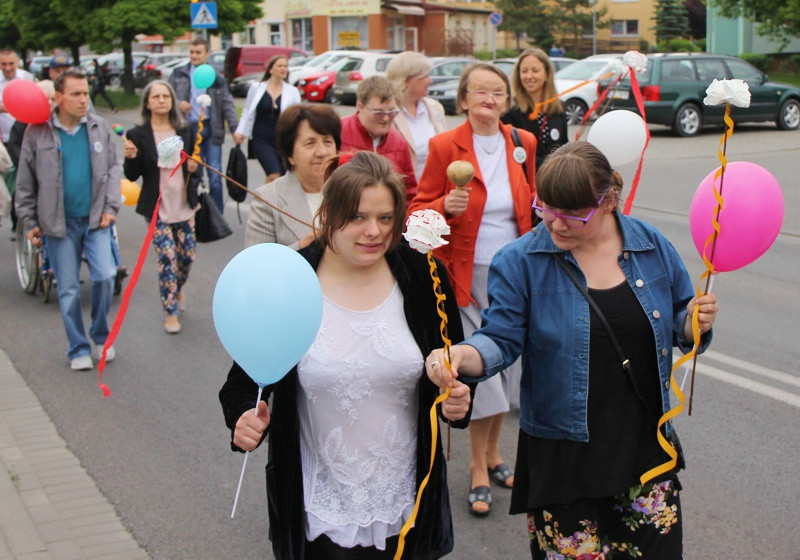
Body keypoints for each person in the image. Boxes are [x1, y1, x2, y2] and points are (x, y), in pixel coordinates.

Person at [425, 141, 719, 559]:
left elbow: (677, 320)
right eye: (545, 210)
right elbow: (500, 338)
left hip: (646, 450)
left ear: (608, 201)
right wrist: (459, 356)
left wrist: (692, 324)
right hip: (563, 459)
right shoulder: (521, 260)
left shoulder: (650, 245)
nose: (556, 226)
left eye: (573, 216)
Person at [220, 150, 472, 559]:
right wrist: (243, 419)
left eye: (385, 218)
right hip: (318, 507)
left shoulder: (424, 275)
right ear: (328, 214)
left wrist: (458, 400)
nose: (373, 231)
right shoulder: (292, 280)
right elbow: (242, 383)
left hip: (406, 503)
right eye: (357, 217)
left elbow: (454, 366)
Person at [409, 62, 537, 517]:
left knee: (507, 368)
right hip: (465, 272)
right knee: (481, 367)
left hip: (516, 273)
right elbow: (418, 210)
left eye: (498, 92)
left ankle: (495, 453)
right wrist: (446, 203)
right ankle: (479, 469)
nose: (489, 98)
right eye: (480, 91)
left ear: (506, 100)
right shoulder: (444, 146)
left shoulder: (523, 143)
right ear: (463, 100)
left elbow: (532, 204)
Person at [15, 68, 121, 370]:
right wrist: (29, 221)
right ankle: (77, 348)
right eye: (76, 94)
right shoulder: (37, 132)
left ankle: (101, 336)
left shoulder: (99, 127)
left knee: (105, 276)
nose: (83, 99)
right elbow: (25, 181)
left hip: (95, 220)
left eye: (86, 93)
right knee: (69, 288)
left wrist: (111, 207)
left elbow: (114, 170)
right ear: (58, 98)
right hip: (56, 224)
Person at [123, 80, 200, 335]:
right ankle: (170, 313)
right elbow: (132, 175)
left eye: (165, 96)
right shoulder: (137, 135)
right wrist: (131, 157)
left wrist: (193, 168)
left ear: (172, 100)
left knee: (186, 257)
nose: (161, 100)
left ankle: (176, 289)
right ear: (147, 102)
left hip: (183, 204)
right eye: (155, 96)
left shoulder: (184, 129)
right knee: (167, 259)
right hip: (157, 208)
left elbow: (194, 165)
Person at [245, 103, 340, 250]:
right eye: (310, 143)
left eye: (327, 141)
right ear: (290, 156)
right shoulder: (268, 199)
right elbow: (259, 265)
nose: (322, 152)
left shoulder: (352, 190)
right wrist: (303, 246)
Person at [169, 37, 238, 213]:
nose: (194, 56)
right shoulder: (178, 74)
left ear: (207, 54)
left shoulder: (217, 79)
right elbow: (168, 96)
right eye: (191, 52)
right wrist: (179, 104)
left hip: (211, 127)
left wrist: (235, 129)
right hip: (187, 128)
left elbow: (228, 104)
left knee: (215, 174)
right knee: (192, 173)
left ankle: (217, 214)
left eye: (198, 52)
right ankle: (193, 212)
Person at [339, 76, 417, 202]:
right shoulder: (339, 133)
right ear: (360, 106)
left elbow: (409, 192)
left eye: (391, 111)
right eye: (378, 112)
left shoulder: (398, 142)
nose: (385, 119)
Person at [233, 54, 301, 182]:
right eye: (279, 65)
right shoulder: (257, 88)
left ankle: (268, 201)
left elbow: (297, 116)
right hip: (261, 139)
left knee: (281, 177)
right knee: (273, 174)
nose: (283, 69)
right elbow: (247, 110)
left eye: (285, 66)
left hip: (282, 140)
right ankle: (264, 201)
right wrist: (241, 131)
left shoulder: (292, 91)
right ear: (271, 69)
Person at [502, 48, 568, 169]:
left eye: (535, 70)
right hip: (526, 183)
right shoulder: (509, 111)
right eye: (524, 71)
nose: (529, 76)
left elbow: (565, 147)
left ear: (547, 74)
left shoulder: (559, 108)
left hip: (555, 182)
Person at [385, 51, 447, 182]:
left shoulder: (435, 108)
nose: (430, 80)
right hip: (403, 191)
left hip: (435, 191)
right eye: (425, 76)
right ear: (407, 80)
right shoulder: (387, 113)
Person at [0, 48, 34, 143]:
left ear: (17, 62)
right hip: (4, 139)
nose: (8, 68)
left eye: (11, 63)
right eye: (3, 64)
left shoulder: (28, 78)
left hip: (26, 137)